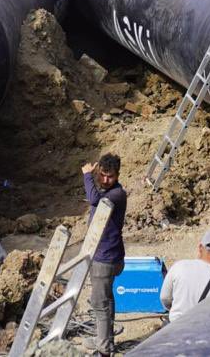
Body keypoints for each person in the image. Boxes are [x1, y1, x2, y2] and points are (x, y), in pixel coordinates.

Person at [82, 153, 127, 356]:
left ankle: (104, 349)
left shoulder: (116, 194)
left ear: (117, 175)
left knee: (100, 304)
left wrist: (87, 175)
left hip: (106, 258)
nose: (106, 180)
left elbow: (93, 199)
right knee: (106, 299)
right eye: (102, 175)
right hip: (107, 254)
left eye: (110, 176)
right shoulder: (108, 191)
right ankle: (105, 338)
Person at [158, 229, 210, 323]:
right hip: (207, 327)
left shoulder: (179, 266)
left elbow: (164, 298)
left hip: (176, 325)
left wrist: (176, 309)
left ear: (200, 247)